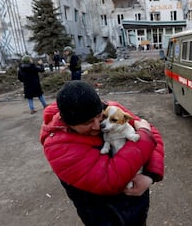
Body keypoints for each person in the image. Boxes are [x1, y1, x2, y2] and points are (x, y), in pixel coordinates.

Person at [40, 81, 164, 225]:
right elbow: (110, 180)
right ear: (69, 123)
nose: (99, 126)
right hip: (105, 218)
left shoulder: (109, 109)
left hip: (136, 210)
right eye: (87, 123)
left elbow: (151, 132)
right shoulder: (57, 146)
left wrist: (150, 175)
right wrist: (144, 137)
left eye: (100, 116)